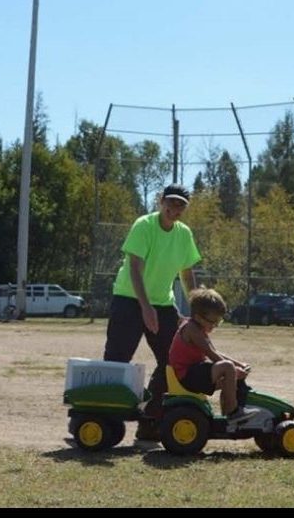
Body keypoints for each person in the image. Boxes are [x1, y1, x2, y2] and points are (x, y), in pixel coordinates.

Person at [103, 184, 201, 440]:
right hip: (129, 300)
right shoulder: (144, 225)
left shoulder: (184, 234)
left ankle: (150, 421)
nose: (175, 209)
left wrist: (197, 309)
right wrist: (145, 308)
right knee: (117, 360)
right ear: (161, 201)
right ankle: (104, 423)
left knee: (172, 361)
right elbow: (135, 269)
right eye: (171, 202)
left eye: (181, 205)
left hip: (163, 303)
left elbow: (187, 273)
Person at [168, 287, 257, 423]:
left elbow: (214, 351)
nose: (215, 325)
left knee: (229, 377)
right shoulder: (192, 329)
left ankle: (228, 411)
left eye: (218, 322)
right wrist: (233, 368)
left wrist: (239, 364)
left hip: (194, 372)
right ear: (198, 317)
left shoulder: (198, 327)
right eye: (212, 321)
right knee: (227, 368)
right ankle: (234, 412)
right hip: (187, 375)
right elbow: (211, 354)